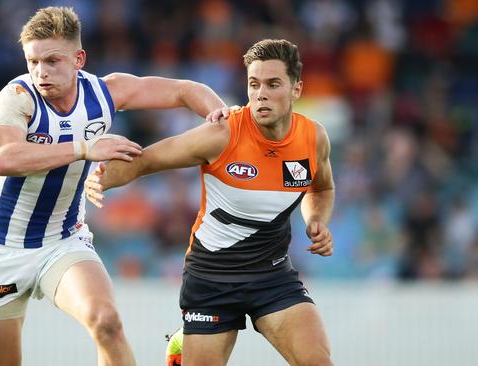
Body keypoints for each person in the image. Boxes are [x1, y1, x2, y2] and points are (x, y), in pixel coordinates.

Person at [0, 7, 226, 366]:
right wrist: (84, 149)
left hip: (62, 241)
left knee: (107, 323)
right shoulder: (16, 98)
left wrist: (219, 116)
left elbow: (184, 90)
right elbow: (3, 158)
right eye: (33, 62)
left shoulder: (105, 92)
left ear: (78, 58)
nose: (41, 72)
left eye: (52, 60)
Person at [85, 39, 335, 366]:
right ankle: (185, 342)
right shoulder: (222, 134)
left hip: (273, 277)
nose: (261, 93)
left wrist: (316, 220)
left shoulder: (313, 138)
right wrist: (100, 176)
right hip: (212, 278)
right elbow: (146, 161)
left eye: (273, 84)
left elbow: (322, 188)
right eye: (254, 84)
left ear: (296, 89)